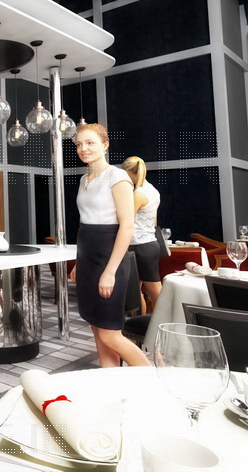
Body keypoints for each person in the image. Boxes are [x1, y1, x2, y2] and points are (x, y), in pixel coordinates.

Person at [69, 124, 150, 367]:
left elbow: (127, 226)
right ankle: (111, 382)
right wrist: (79, 263)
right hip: (88, 258)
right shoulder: (84, 179)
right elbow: (86, 223)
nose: (83, 148)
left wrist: (110, 271)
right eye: (79, 144)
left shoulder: (117, 176)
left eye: (90, 143)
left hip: (109, 259)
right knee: (97, 329)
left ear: (105, 145)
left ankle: (154, 379)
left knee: (109, 334)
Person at [121, 156, 162, 314]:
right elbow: (154, 222)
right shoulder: (153, 190)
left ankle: (159, 323)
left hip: (138, 246)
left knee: (152, 289)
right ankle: (145, 324)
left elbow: (125, 219)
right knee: (143, 289)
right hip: (149, 244)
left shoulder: (138, 194)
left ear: (128, 172)